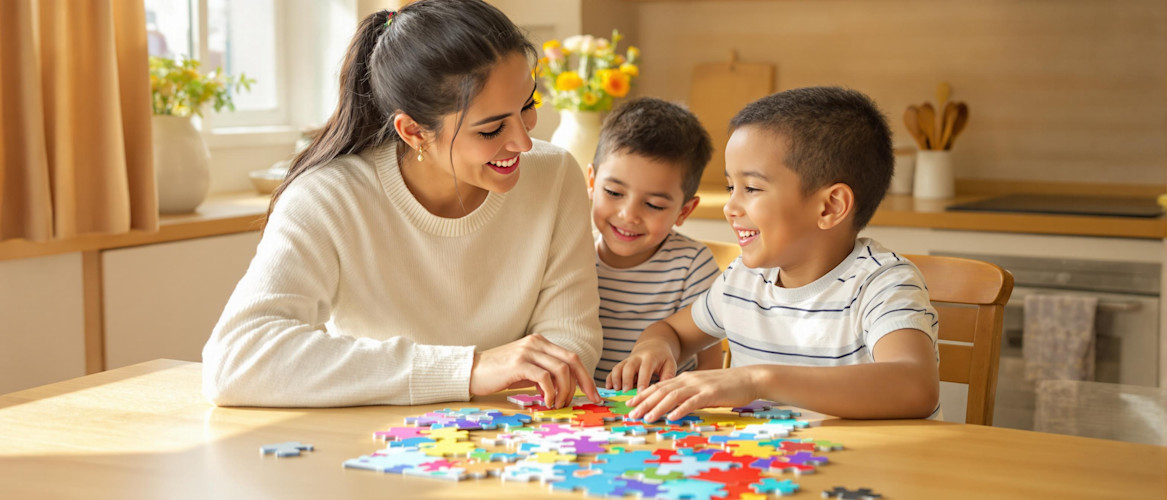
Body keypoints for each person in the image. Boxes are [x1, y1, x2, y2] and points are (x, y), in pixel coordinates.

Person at [202, 0, 603, 409]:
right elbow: (236, 361)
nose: (522, 141)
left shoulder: (553, 175)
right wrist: (469, 370)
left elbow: (571, 344)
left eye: (527, 106)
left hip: (517, 439)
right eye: (492, 128)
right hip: (376, 443)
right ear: (413, 131)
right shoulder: (329, 196)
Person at [608, 87, 941, 422]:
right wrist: (654, 349)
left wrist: (755, 380)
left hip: (866, 470)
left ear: (830, 206)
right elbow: (672, 331)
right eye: (730, 188)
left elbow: (914, 385)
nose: (730, 207)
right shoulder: (743, 280)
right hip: (763, 467)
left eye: (751, 189)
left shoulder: (883, 283)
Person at [585, 98, 723, 385]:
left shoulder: (691, 266)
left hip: (661, 415)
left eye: (655, 205)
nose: (629, 215)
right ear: (591, 182)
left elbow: (710, 368)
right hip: (578, 410)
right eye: (613, 192)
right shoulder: (572, 252)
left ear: (684, 211)